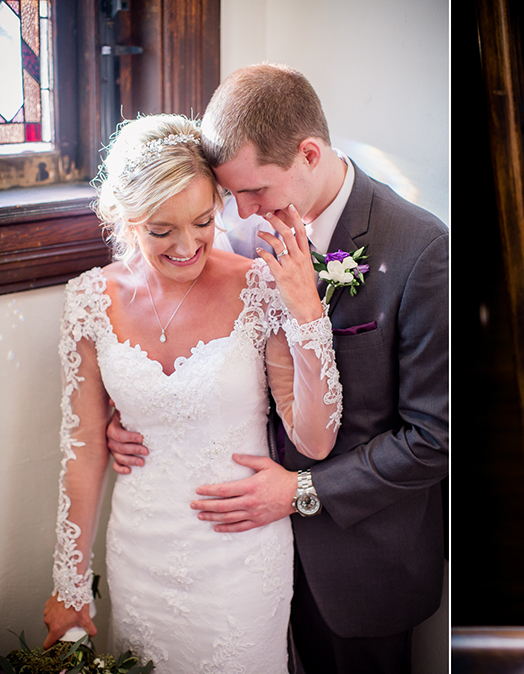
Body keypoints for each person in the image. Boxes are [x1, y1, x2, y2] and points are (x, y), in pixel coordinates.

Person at [107, 64, 449, 674]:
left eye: (254, 191)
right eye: (229, 194)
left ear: (308, 154)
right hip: (239, 558)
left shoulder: (422, 250)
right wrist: (133, 414)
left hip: (357, 558)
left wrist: (300, 491)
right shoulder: (233, 233)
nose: (239, 211)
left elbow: (434, 439)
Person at [43, 113, 342, 673]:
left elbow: (316, 440)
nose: (187, 246)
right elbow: (83, 447)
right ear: (126, 220)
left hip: (240, 560)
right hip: (139, 554)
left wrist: (306, 314)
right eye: (162, 230)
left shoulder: (256, 286)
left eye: (204, 221)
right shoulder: (89, 300)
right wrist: (70, 580)